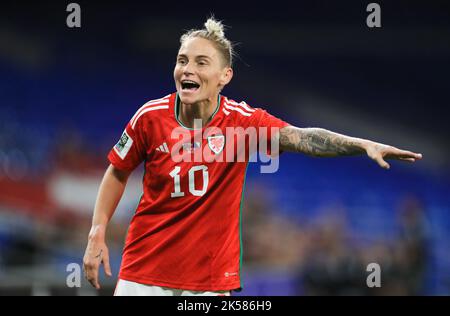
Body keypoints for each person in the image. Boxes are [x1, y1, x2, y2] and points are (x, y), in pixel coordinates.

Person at [82, 17, 422, 296]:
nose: (188, 69)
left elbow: (302, 138)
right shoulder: (150, 117)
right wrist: (98, 229)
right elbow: (117, 171)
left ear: (224, 77)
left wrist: (361, 144)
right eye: (182, 60)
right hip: (144, 273)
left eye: (202, 62)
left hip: (210, 283)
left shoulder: (243, 123)